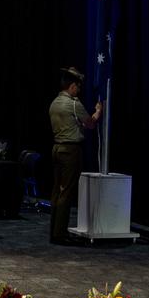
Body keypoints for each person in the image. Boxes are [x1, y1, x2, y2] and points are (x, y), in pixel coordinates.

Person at [48, 67, 103, 244]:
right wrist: (98, 111)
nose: (78, 90)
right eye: (77, 87)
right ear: (72, 86)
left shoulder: (55, 102)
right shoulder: (73, 103)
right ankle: (60, 233)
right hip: (71, 150)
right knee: (66, 192)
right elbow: (90, 124)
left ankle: (54, 230)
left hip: (57, 148)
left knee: (57, 191)